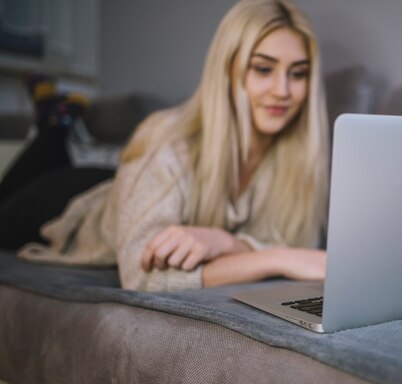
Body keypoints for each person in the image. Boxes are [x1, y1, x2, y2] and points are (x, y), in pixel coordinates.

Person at [9, 0, 329, 292]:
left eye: (298, 73)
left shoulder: (298, 161)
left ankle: (57, 118)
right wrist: (274, 259)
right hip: (63, 200)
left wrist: (228, 243)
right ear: (227, 71)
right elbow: (140, 275)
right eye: (263, 69)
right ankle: (56, 121)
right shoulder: (166, 141)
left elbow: (298, 249)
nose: (282, 90)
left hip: (124, 182)